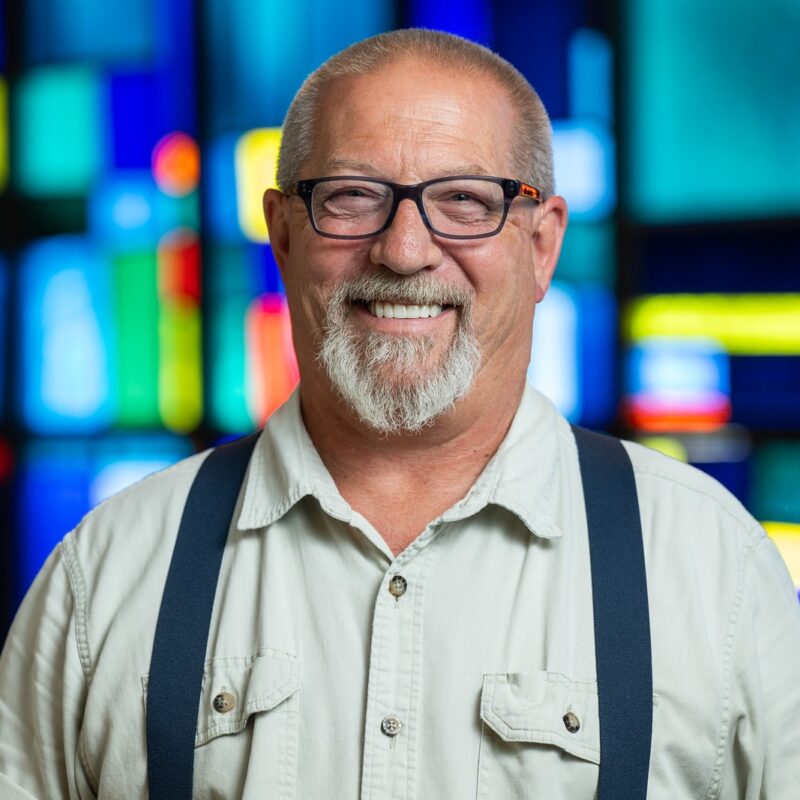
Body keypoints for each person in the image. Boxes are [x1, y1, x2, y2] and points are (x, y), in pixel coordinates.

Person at [1, 28, 799, 800]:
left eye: (463, 199)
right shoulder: (104, 576)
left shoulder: (709, 565)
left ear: (543, 244)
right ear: (282, 233)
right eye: (352, 197)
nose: (405, 250)